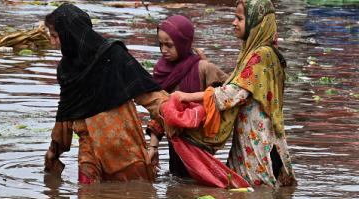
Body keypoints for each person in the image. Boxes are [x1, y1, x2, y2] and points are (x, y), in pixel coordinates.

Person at [171, 0, 297, 187]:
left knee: (256, 194)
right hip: (252, 133)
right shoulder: (258, 52)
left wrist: (187, 96)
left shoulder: (261, 54)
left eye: (239, 18)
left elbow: (235, 92)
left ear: (257, 22)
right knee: (249, 193)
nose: (234, 23)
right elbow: (238, 82)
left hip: (257, 138)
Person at [43, 3, 169, 184]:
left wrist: (180, 112)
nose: (53, 43)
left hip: (125, 149)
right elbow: (65, 114)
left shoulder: (114, 55)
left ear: (71, 34)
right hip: (90, 151)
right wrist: (54, 149)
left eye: (55, 36)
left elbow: (148, 95)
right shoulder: (67, 70)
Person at [147, 15, 229, 177]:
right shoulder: (161, 71)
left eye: (169, 45)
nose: (164, 50)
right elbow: (160, 114)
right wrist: (153, 147)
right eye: (160, 44)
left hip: (200, 146)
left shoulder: (204, 68)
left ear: (183, 43)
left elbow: (229, 95)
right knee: (177, 185)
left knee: (199, 186)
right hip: (175, 145)